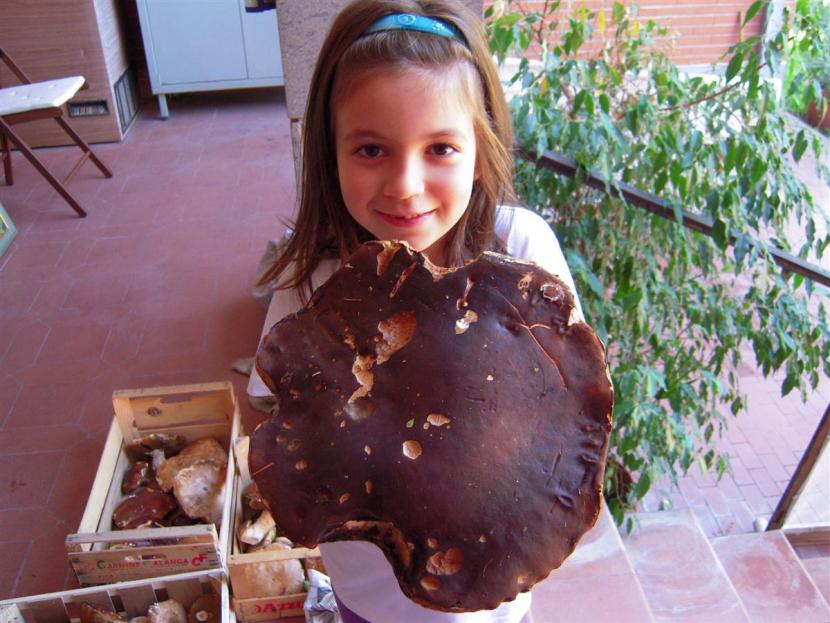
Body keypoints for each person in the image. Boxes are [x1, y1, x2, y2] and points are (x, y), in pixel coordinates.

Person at [249, 1, 582, 620]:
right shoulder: (314, 282)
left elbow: (568, 401)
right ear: (330, 151)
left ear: (480, 149)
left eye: (441, 148)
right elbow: (274, 411)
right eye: (371, 149)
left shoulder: (521, 252)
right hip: (368, 595)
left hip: (496, 595)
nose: (405, 184)